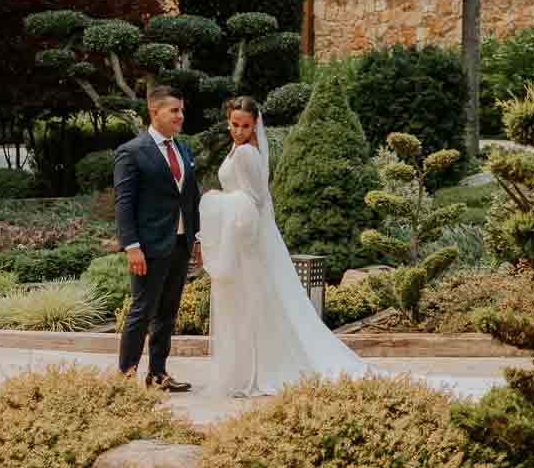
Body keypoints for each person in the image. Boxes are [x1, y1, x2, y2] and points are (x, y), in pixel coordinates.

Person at [199, 95, 505, 401]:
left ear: (255, 125)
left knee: (258, 303)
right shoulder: (237, 149)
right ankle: (253, 365)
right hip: (245, 239)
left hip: (248, 238)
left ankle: (260, 368)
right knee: (257, 304)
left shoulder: (246, 155)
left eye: (245, 126)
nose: (239, 131)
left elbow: (253, 201)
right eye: (234, 125)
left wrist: (215, 203)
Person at [114, 85, 201, 392]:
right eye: (173, 110)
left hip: (179, 244)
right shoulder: (132, 152)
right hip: (148, 247)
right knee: (142, 311)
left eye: (181, 110)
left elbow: (191, 196)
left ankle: (157, 374)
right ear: (154, 112)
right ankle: (125, 378)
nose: (180, 115)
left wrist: (197, 239)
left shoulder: (183, 148)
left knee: (168, 312)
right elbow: (123, 204)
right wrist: (132, 246)